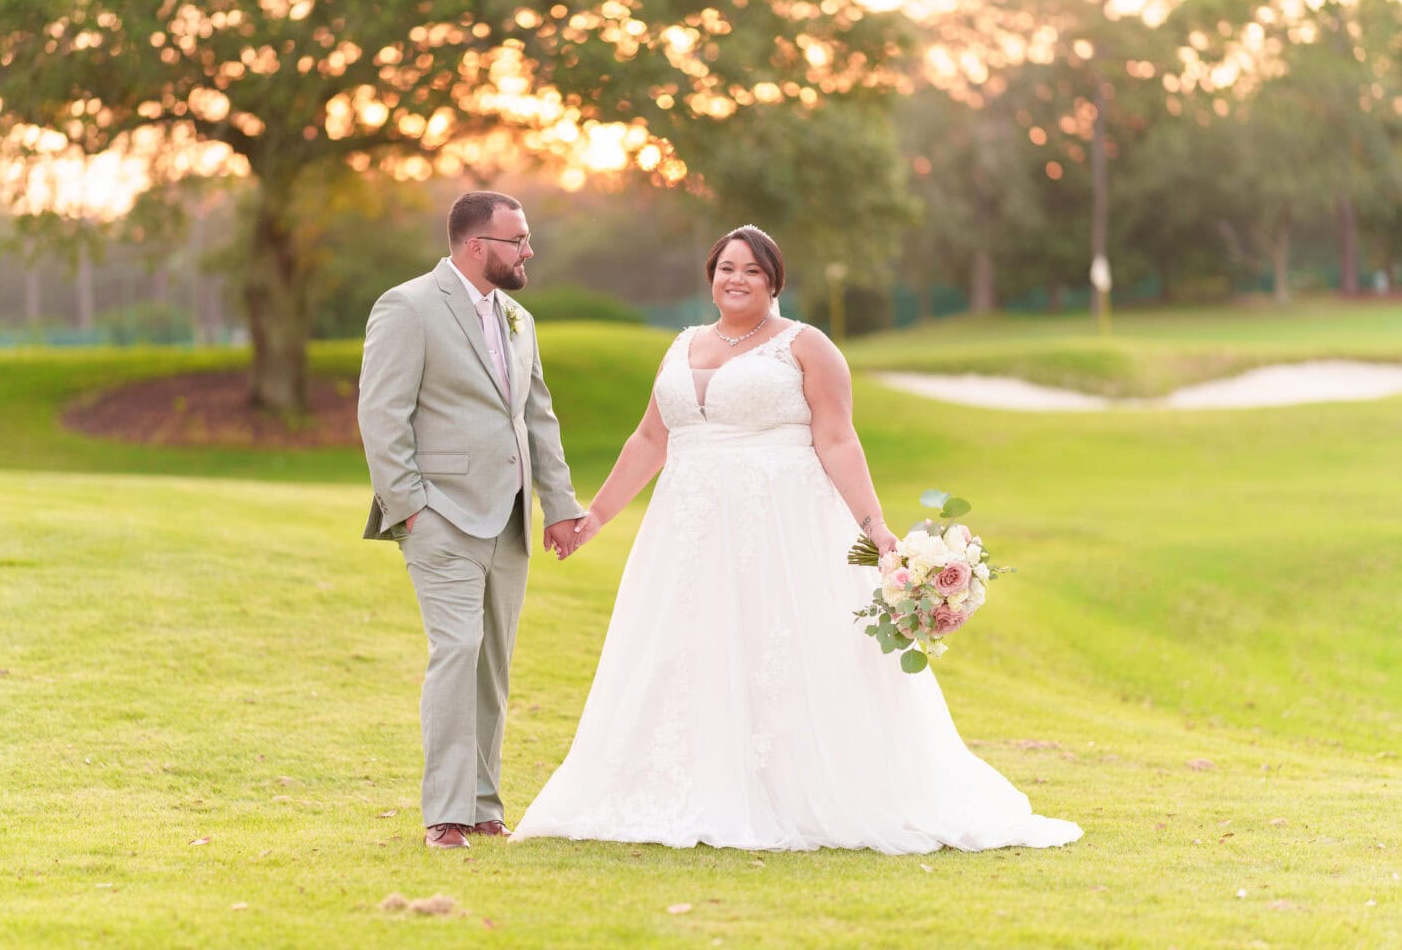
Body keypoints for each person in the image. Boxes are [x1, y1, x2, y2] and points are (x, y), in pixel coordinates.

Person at [511, 225, 1081, 853]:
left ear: (774, 280)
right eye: (726, 267)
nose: (736, 279)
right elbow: (651, 439)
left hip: (782, 525)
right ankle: (692, 783)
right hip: (689, 531)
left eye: (752, 270)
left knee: (781, 645)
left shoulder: (807, 346)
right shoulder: (682, 345)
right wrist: (596, 518)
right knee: (689, 647)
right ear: (710, 275)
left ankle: (793, 790)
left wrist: (876, 527)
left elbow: (837, 439)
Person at [358, 191, 584, 850]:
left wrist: (560, 506)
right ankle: (446, 814)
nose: (528, 251)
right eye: (518, 240)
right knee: (457, 651)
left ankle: (485, 804)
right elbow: (382, 414)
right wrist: (411, 508)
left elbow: (537, 417)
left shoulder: (519, 317)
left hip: (510, 519)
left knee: (493, 664)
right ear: (476, 244)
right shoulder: (409, 307)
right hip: (441, 517)